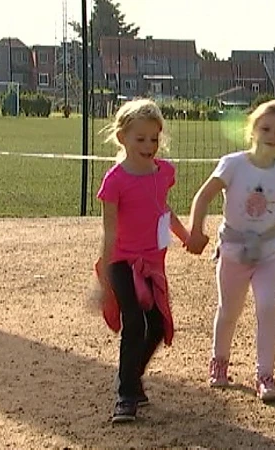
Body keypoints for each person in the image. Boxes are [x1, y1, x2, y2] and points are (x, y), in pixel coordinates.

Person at [186, 99, 275, 403]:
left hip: (270, 251)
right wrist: (196, 230)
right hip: (232, 249)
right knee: (229, 310)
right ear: (252, 129)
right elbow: (203, 196)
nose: (272, 135)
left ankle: (265, 375)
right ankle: (219, 362)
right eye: (266, 127)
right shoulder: (233, 163)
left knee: (268, 308)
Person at [94, 98, 190, 423]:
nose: (149, 145)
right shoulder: (115, 181)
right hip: (121, 262)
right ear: (122, 138)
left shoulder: (163, 173)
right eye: (141, 139)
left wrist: (186, 235)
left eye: (154, 138)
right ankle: (126, 396)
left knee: (159, 326)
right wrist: (105, 277)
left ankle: (134, 379)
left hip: (151, 262)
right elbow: (109, 231)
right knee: (134, 322)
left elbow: (163, 209)